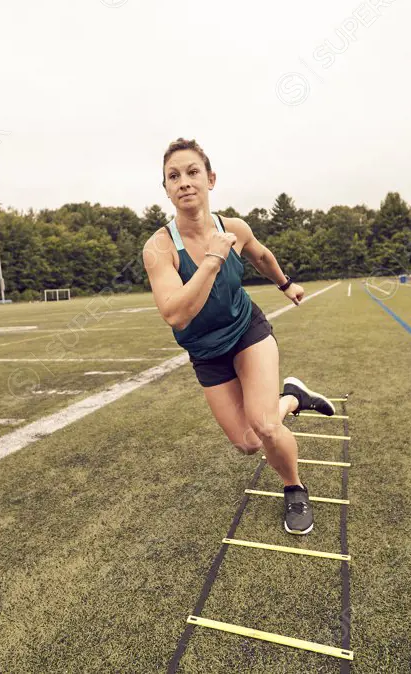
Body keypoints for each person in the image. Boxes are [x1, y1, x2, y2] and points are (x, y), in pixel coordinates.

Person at [142, 138, 335, 536]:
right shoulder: (160, 247)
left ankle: (294, 488)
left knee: (265, 426)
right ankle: (294, 398)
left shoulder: (234, 228)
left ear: (210, 179)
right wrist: (213, 257)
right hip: (205, 352)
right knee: (248, 442)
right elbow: (176, 314)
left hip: (247, 332)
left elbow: (260, 255)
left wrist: (285, 283)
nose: (184, 182)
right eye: (173, 176)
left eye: (193, 172)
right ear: (165, 189)